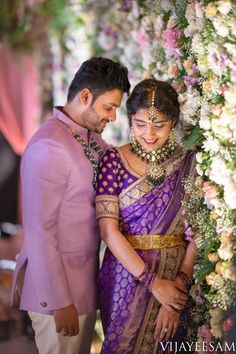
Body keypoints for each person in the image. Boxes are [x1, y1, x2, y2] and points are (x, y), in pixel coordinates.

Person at [10, 57, 130, 354]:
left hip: (84, 287)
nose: (113, 117)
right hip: (58, 295)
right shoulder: (50, 146)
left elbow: (120, 160)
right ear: (85, 96)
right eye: (109, 107)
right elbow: (39, 231)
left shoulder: (89, 141)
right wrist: (59, 301)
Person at [95, 78, 197, 353]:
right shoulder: (113, 161)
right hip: (125, 277)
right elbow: (108, 231)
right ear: (129, 120)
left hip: (176, 275)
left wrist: (176, 292)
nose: (149, 134)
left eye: (159, 125)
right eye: (140, 125)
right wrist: (154, 284)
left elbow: (196, 234)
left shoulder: (188, 161)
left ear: (174, 123)